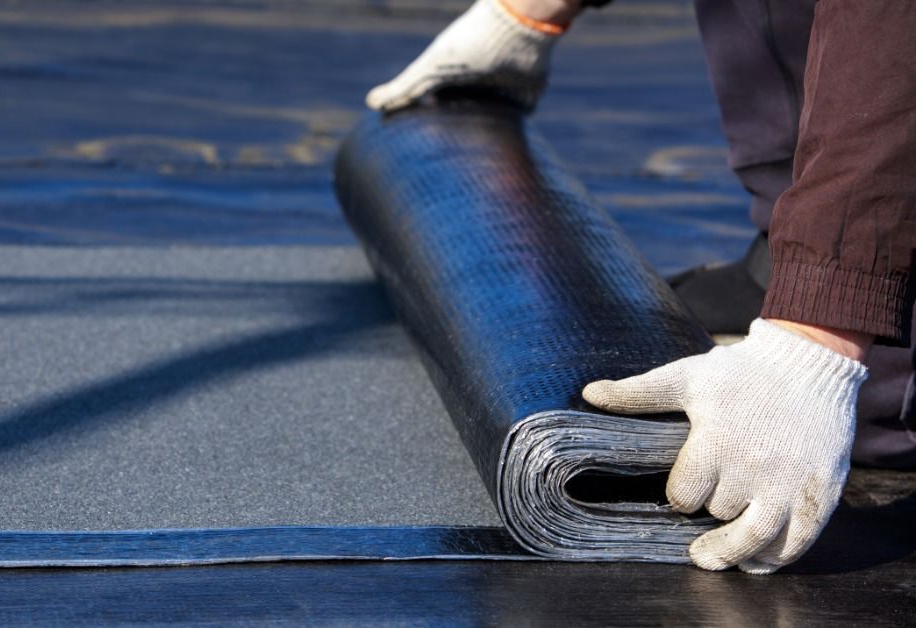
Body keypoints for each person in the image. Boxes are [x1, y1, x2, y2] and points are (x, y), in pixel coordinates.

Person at [367, 0, 915, 574]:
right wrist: (527, 14)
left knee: (858, 422)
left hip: (894, 256)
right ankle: (791, 261)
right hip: (809, 216)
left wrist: (816, 341)